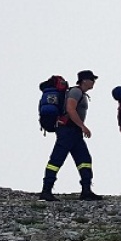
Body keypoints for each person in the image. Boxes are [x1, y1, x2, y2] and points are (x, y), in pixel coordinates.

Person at [40, 70, 102, 202]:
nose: (94, 82)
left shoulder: (80, 93)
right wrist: (82, 126)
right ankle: (46, 191)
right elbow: (70, 109)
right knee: (57, 160)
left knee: (84, 160)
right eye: (92, 79)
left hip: (74, 132)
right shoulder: (75, 92)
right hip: (67, 130)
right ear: (85, 80)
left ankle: (86, 191)